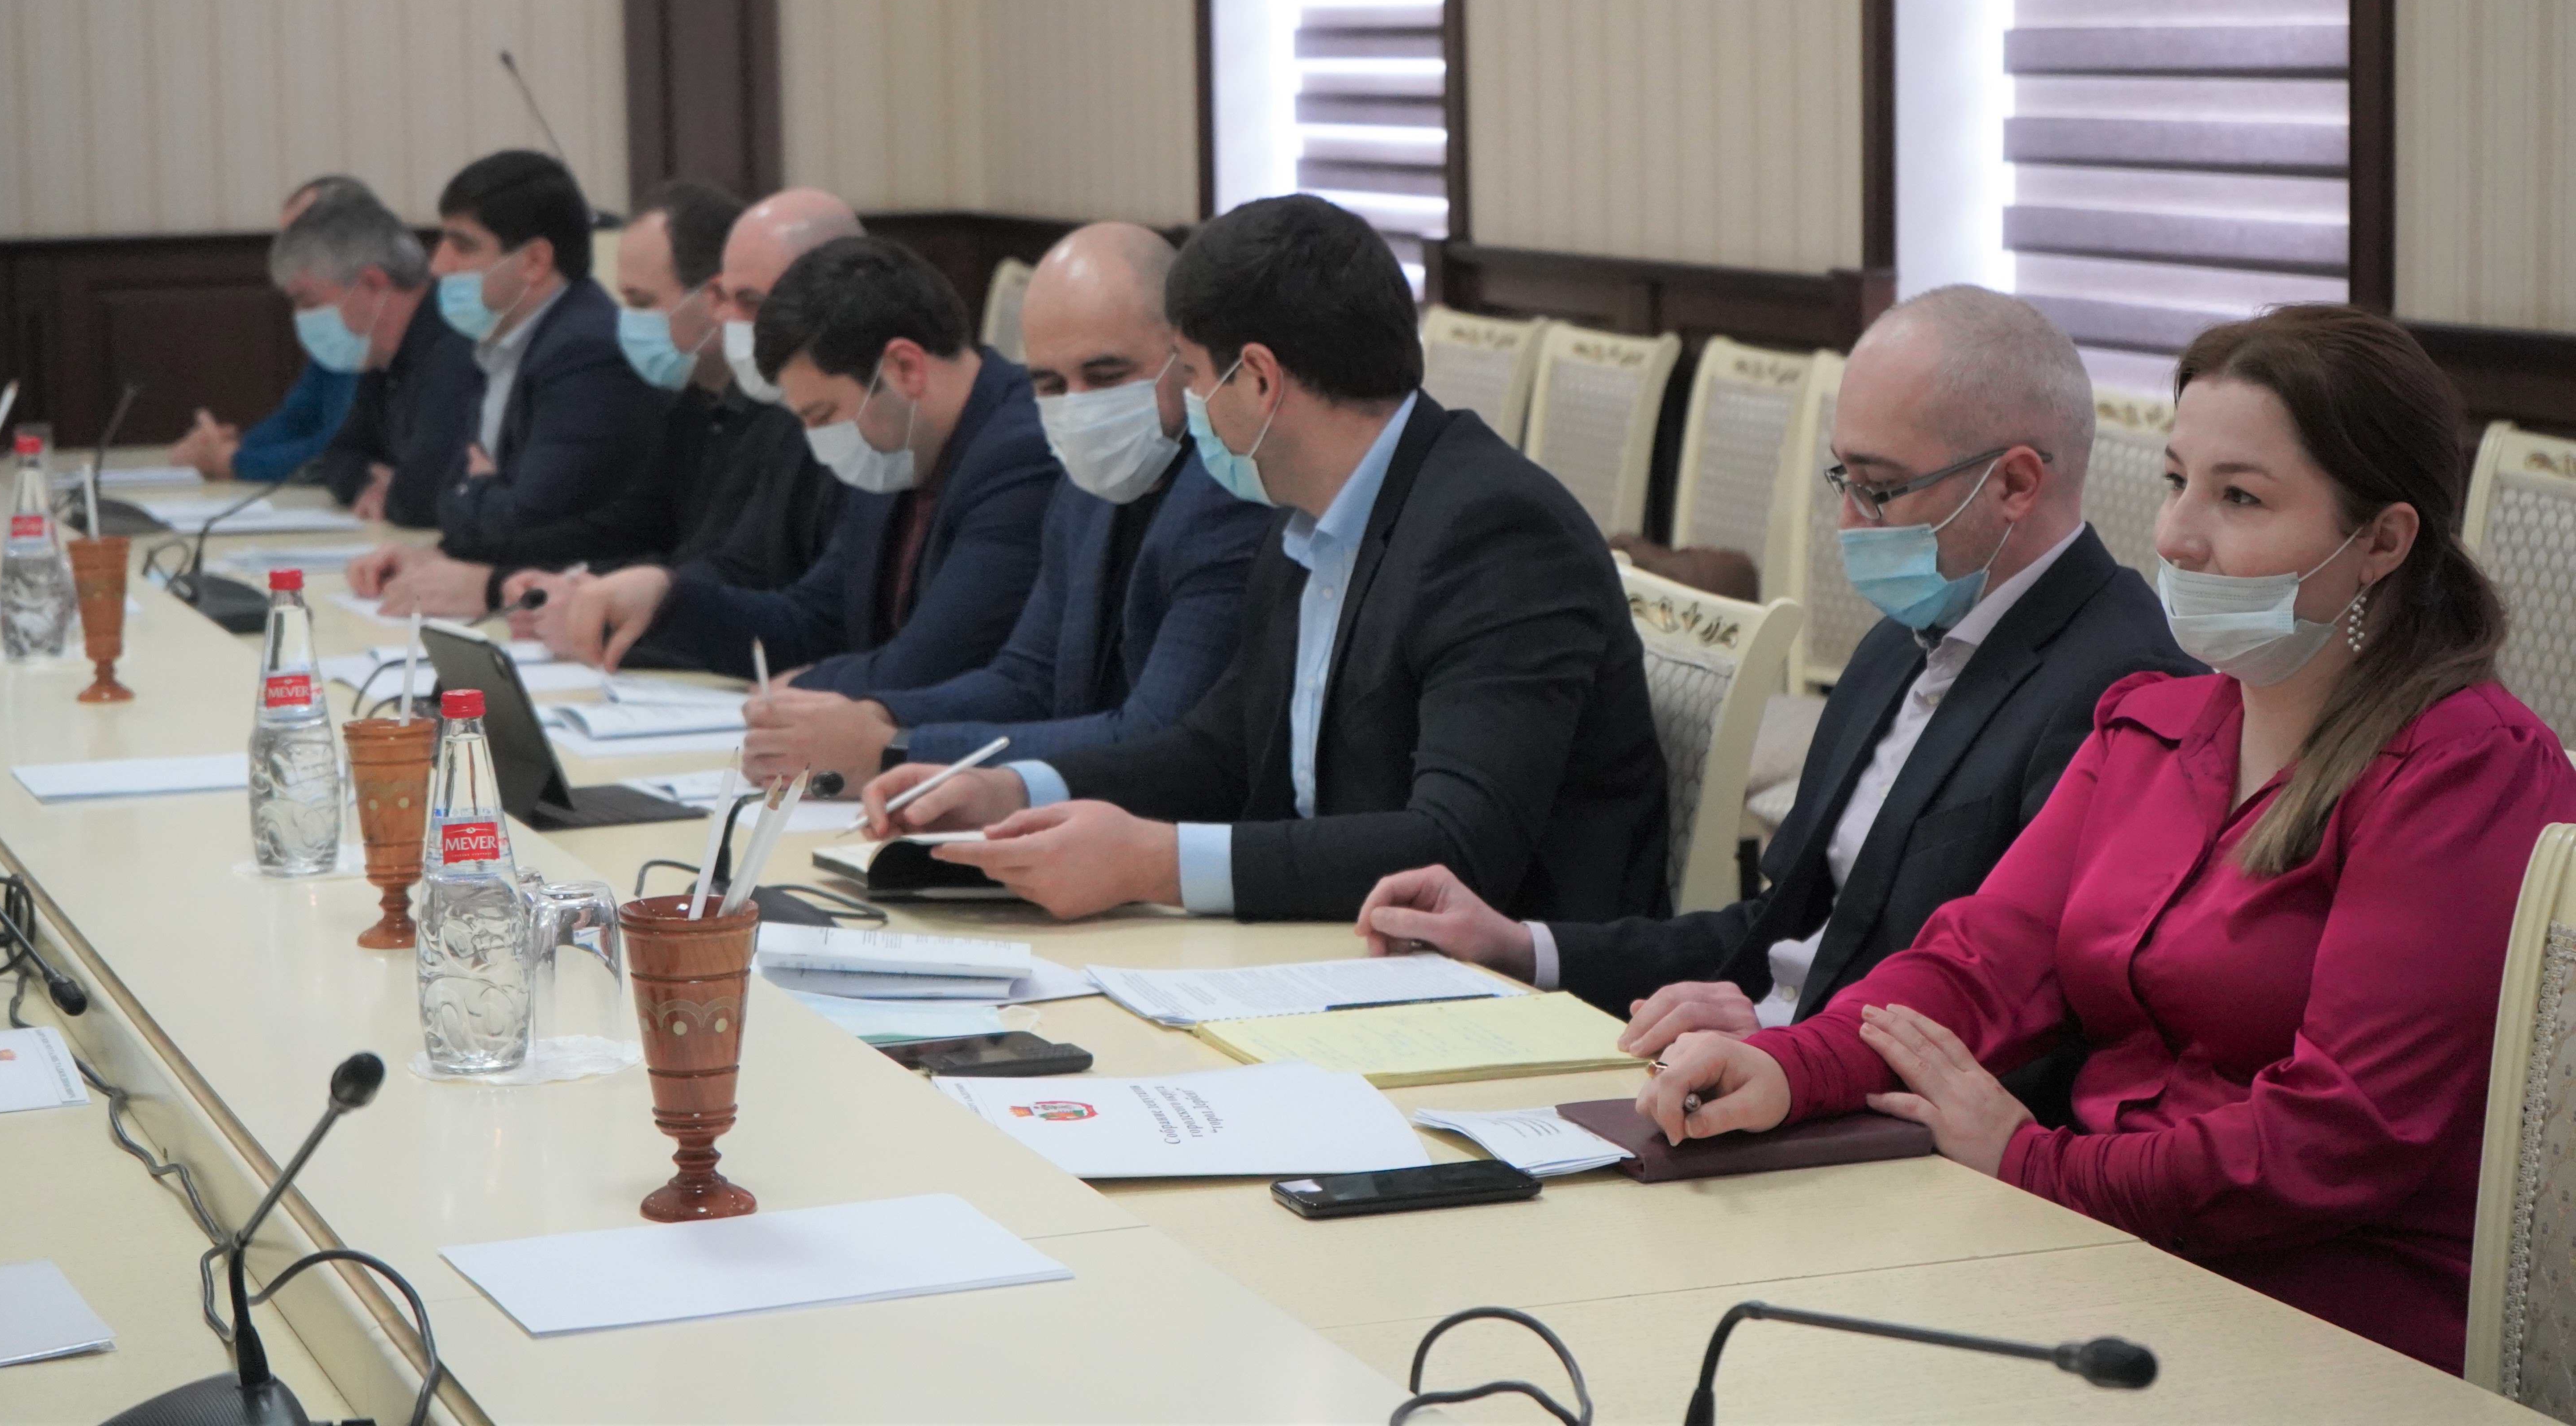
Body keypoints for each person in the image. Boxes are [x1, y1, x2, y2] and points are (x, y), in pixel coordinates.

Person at [1640, 304, 2576, 1376]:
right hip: (2097, 1248)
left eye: (2239, 496)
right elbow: (1978, 965)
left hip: (2324, 1313)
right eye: (2177, 481)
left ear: (2383, 541)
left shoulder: (2468, 770)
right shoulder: (2150, 723)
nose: (2176, 533)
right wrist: (1789, 1065)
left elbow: (2336, 1139)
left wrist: (2034, 1162)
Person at [1356, 288, 2192, 1114]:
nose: (1848, 522)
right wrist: (1520, 945)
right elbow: (1781, 930)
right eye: (1843, 478)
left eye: (1881, 489)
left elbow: (2037, 1024)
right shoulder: (1895, 647)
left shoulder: (2124, 687)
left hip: (1883, 1123)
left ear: (2014, 483)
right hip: (1771, 1068)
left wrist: (1782, 1040)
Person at [855, 193, 1669, 925]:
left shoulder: (1494, 532)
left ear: (1258, 380)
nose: (1189, 408)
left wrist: (1156, 862)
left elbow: (1454, 847)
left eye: (1194, 376)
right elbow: (1220, 749)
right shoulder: (1307, 515)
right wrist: (1017, 789)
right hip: (1339, 949)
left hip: (1520, 993)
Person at [738, 222, 1273, 793]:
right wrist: (879, 715)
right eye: (1049, 384)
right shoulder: (1087, 482)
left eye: (1107, 376)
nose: (1078, 408)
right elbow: (1028, 679)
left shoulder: (1228, 493)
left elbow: (1155, 736)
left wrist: (893, 751)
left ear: (1186, 358)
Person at [556, 234, 1060, 691]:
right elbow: (814, 622)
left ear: (905, 368)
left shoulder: (1021, 452)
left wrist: (809, 686)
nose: (818, 442)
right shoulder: (897, 446)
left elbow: (932, 665)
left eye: (823, 415)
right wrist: (667, 599)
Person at [505, 188, 855, 652]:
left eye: (748, 300)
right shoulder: (695, 402)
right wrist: (583, 588)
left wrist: (610, 610)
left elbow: (777, 593)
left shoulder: (792, 416)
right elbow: (661, 532)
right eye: (724, 297)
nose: (724, 314)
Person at [423, 150, 667, 559]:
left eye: (462, 246)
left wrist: (479, 487)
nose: (439, 265)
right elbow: (447, 499)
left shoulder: (589, 353)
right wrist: (484, 491)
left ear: (535, 261)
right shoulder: (496, 343)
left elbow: (531, 524)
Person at [229, 180, 474, 525]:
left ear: (372, 283)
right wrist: (368, 484)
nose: (301, 319)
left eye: (309, 302)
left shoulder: (456, 344)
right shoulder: (378, 355)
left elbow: (427, 491)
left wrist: (395, 491)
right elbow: (339, 456)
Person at [168, 176, 377, 483]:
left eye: (299, 241)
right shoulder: (333, 324)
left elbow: (344, 448)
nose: (287, 256)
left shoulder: (385, 319)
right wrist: (224, 448)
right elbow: (295, 420)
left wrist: (234, 462)